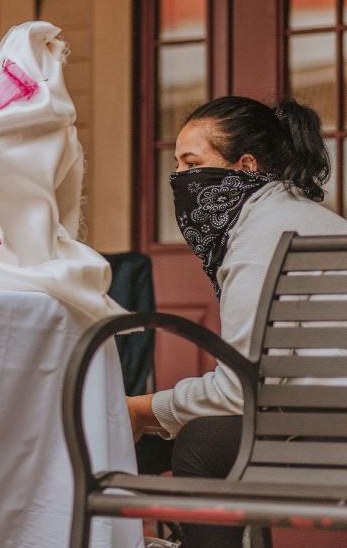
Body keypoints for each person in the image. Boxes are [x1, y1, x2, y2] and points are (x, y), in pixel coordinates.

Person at [129, 96, 347, 548]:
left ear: (245, 166)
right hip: (321, 423)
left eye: (193, 163)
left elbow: (239, 392)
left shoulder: (260, 236)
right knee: (184, 437)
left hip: (324, 440)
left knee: (202, 441)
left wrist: (139, 409)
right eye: (177, 165)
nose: (181, 181)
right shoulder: (323, 223)